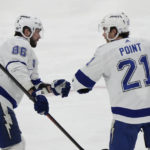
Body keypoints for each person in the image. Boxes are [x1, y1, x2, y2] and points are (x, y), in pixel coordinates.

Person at [72, 12, 150, 150]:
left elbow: (80, 83)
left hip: (126, 117)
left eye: (105, 30)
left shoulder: (106, 51)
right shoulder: (146, 44)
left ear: (114, 31)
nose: (103, 34)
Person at [0, 15, 70, 150]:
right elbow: (17, 69)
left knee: (18, 143)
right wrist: (34, 94)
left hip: (4, 102)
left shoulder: (28, 53)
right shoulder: (19, 43)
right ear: (27, 32)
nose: (39, 36)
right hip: (1, 101)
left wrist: (54, 88)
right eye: (37, 32)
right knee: (15, 145)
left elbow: (34, 84)